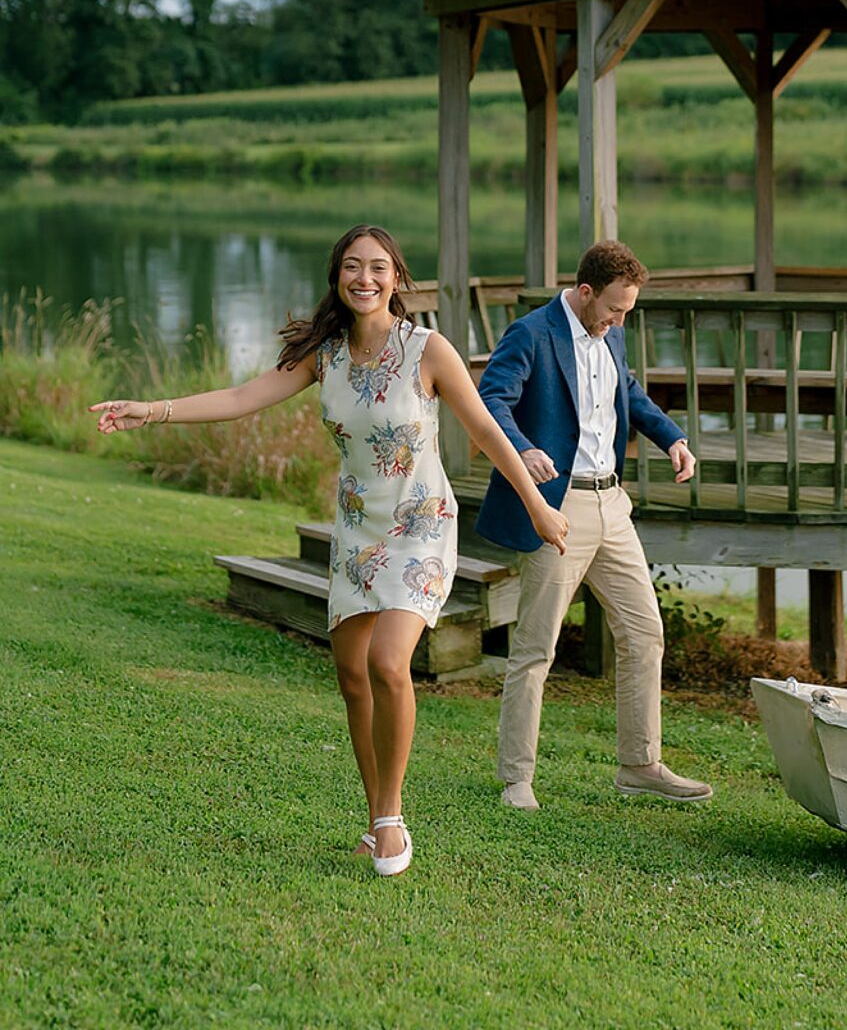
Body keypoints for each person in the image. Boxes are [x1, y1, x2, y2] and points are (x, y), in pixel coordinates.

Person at [91, 222, 567, 876]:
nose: (364, 278)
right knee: (352, 678)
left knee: (388, 662)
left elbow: (484, 429)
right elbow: (242, 397)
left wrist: (538, 505)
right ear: (337, 277)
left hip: (420, 523)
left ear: (396, 278)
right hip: (356, 528)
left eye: (377, 267)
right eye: (352, 266)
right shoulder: (326, 354)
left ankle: (392, 818)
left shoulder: (428, 350)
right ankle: (375, 819)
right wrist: (153, 410)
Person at [476, 238, 713, 810]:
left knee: (645, 633)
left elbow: (626, 390)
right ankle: (517, 779)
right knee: (536, 646)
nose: (619, 320)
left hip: (613, 505)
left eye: (627, 311)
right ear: (585, 292)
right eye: (613, 308)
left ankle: (640, 765)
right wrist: (523, 449)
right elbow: (490, 401)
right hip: (560, 507)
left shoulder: (612, 332)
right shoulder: (532, 333)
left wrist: (672, 437)